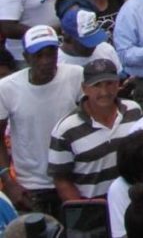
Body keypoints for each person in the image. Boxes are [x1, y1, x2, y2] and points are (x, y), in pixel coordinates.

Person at [0, 25, 83, 215]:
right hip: (32, 186)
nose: (46, 61)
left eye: (51, 53)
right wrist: (8, 181)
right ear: (26, 57)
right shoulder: (6, 88)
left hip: (74, 177)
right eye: (38, 55)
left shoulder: (75, 75)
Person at [48, 58, 143, 200]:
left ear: (118, 83)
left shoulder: (134, 111)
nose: (104, 92)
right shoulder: (65, 130)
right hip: (92, 211)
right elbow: (61, 179)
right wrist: (82, 210)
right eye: (96, 85)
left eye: (109, 83)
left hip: (134, 203)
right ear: (84, 88)